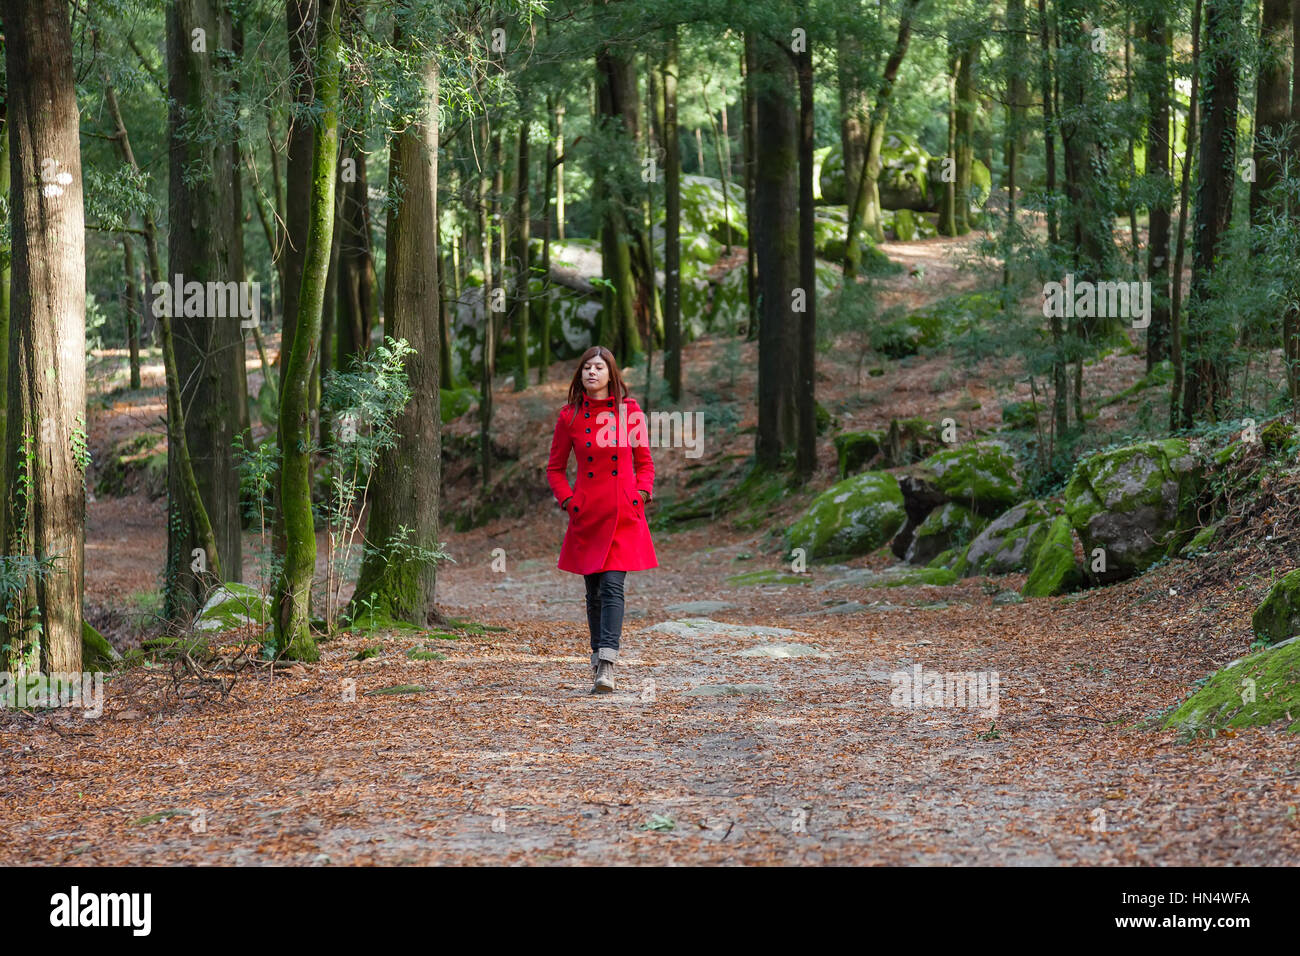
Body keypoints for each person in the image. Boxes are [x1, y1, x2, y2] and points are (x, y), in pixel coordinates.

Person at [546, 346, 658, 694]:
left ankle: (607, 664)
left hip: (623, 512)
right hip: (587, 514)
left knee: (612, 585)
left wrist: (640, 495)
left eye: (598, 367)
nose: (591, 373)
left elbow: (645, 464)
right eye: (586, 368)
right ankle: (597, 658)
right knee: (593, 591)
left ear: (611, 373)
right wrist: (568, 501)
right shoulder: (569, 416)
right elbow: (555, 469)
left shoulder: (630, 412)